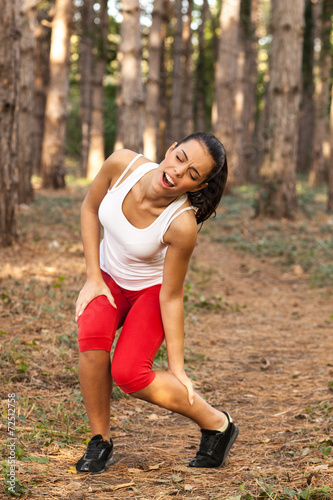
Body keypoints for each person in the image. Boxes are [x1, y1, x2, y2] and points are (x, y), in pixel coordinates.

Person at [75, 132, 238, 474]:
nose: (179, 172)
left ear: (199, 185)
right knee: (91, 339)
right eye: (180, 158)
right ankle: (99, 441)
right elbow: (90, 208)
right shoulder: (122, 164)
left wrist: (177, 366)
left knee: (129, 374)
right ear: (170, 150)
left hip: (150, 292)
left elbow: (171, 294)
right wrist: (92, 277)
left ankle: (217, 423)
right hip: (106, 278)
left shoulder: (182, 224)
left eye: (193, 174)